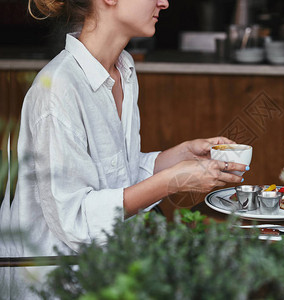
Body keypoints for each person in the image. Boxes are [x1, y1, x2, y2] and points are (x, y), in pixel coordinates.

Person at [4, 0, 248, 298]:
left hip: (111, 274)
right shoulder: (58, 88)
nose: (164, 2)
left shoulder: (124, 70)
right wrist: (173, 181)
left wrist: (181, 156)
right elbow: (76, 219)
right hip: (57, 283)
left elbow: (117, 173)